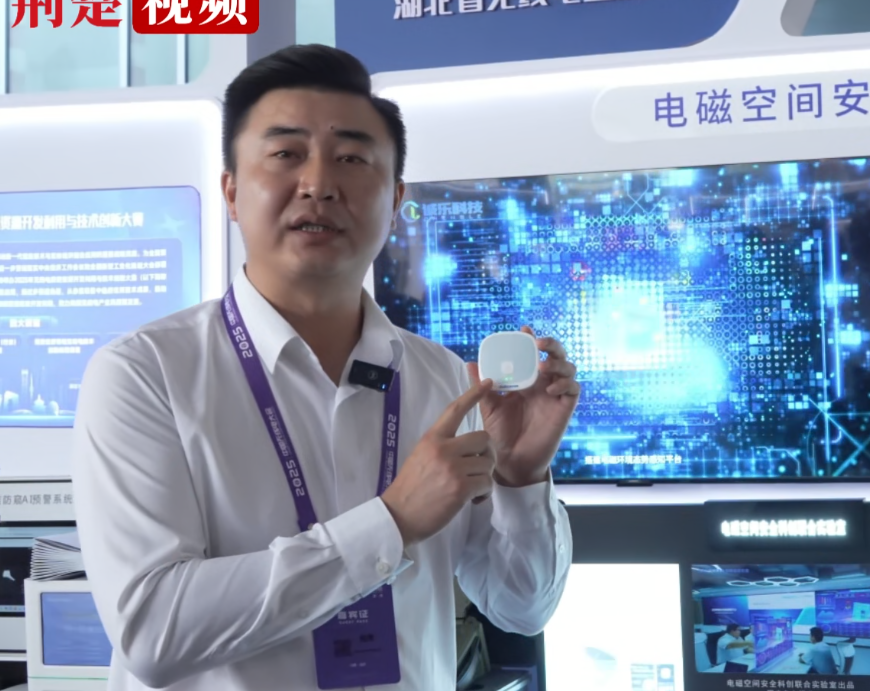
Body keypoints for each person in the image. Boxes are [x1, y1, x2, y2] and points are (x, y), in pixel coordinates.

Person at [71, 44, 579, 691]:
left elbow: (522, 609)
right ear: (232, 191)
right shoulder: (144, 375)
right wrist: (391, 523)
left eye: (352, 158)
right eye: (286, 154)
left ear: (395, 200)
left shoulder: (445, 379)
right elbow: (153, 632)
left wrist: (522, 480)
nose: (318, 184)